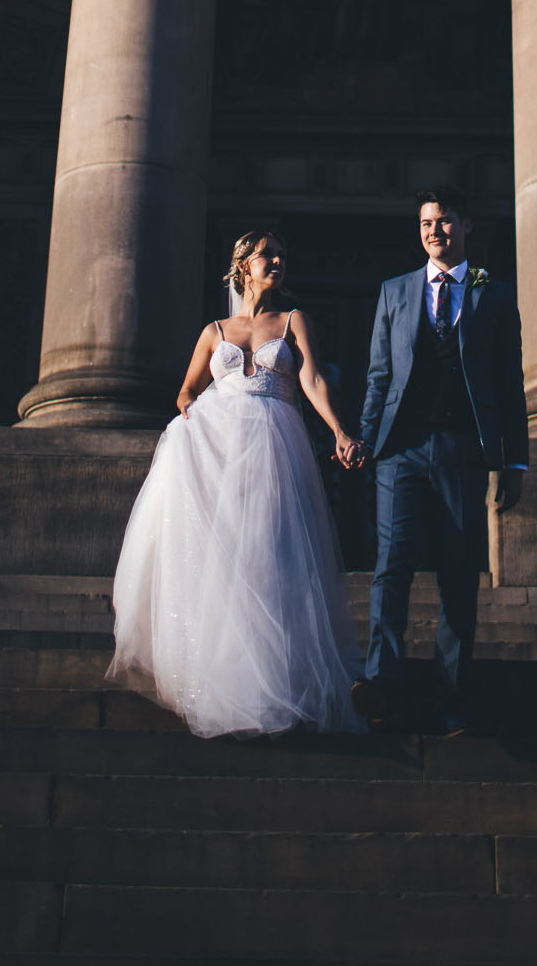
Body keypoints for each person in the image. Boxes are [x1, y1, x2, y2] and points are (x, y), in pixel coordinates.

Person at [106, 231, 368, 738]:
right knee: (226, 557)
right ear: (242, 266)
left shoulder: (294, 322)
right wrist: (192, 416)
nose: (278, 261)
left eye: (282, 256)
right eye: (268, 254)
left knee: (271, 552)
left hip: (274, 446)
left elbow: (312, 380)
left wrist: (339, 431)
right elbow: (187, 390)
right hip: (221, 448)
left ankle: (282, 678)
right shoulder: (215, 331)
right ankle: (224, 673)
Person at [356, 187, 528, 734]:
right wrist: (364, 438)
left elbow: (509, 383)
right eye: (427, 222)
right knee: (392, 565)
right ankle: (383, 684)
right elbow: (379, 376)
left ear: (466, 227)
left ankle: (450, 696)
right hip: (399, 450)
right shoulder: (394, 292)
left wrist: (515, 462)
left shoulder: (494, 295)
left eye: (445, 222)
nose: (435, 231)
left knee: (458, 573)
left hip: (461, 449)